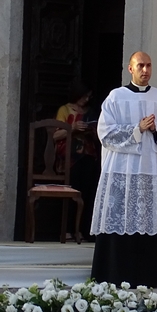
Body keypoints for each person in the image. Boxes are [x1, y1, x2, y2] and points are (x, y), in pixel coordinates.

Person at [90, 52, 157, 287]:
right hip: (122, 169)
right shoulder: (116, 97)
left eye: (149, 65)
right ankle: (114, 273)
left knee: (147, 220)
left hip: (150, 169)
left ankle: (149, 275)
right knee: (120, 218)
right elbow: (105, 133)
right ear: (130, 68)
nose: (145, 70)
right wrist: (137, 128)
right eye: (140, 65)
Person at [54, 81, 100, 232]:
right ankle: (67, 229)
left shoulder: (91, 112)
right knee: (73, 186)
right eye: (84, 96)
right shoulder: (65, 110)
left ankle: (84, 229)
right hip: (69, 157)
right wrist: (73, 127)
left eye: (88, 97)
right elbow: (56, 135)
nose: (86, 100)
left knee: (88, 189)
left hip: (88, 155)